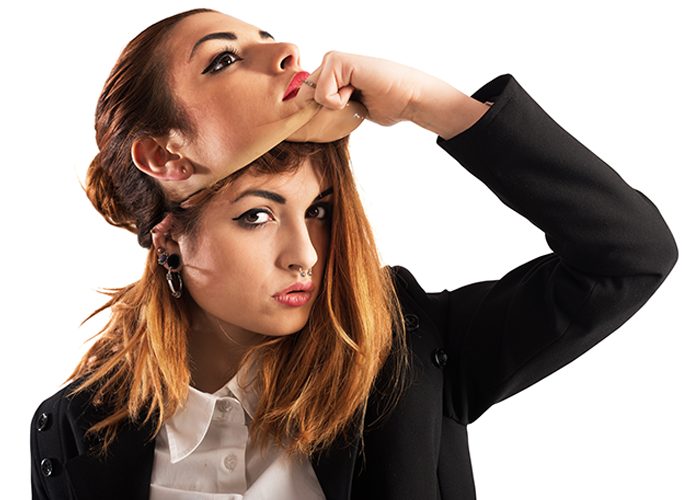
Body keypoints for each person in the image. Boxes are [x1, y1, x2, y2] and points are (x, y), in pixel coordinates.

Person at [29, 8, 677, 500]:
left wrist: (436, 106)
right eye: (256, 216)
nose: (306, 255)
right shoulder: (75, 428)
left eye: (320, 210)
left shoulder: (408, 344)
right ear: (168, 215)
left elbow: (628, 254)